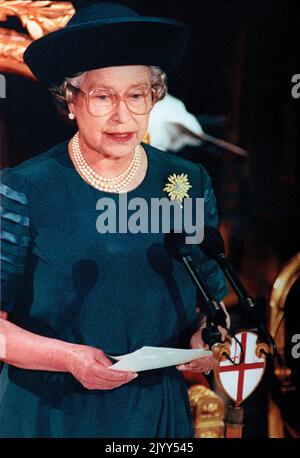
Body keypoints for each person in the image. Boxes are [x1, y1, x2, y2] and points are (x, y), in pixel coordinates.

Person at [0, 2, 228, 438]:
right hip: (49, 410)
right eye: (103, 96)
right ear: (71, 100)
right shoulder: (25, 189)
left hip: (156, 411)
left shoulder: (186, 181)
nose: (123, 116)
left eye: (137, 95)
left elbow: (212, 306)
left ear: (153, 97)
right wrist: (68, 358)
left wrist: (205, 343)